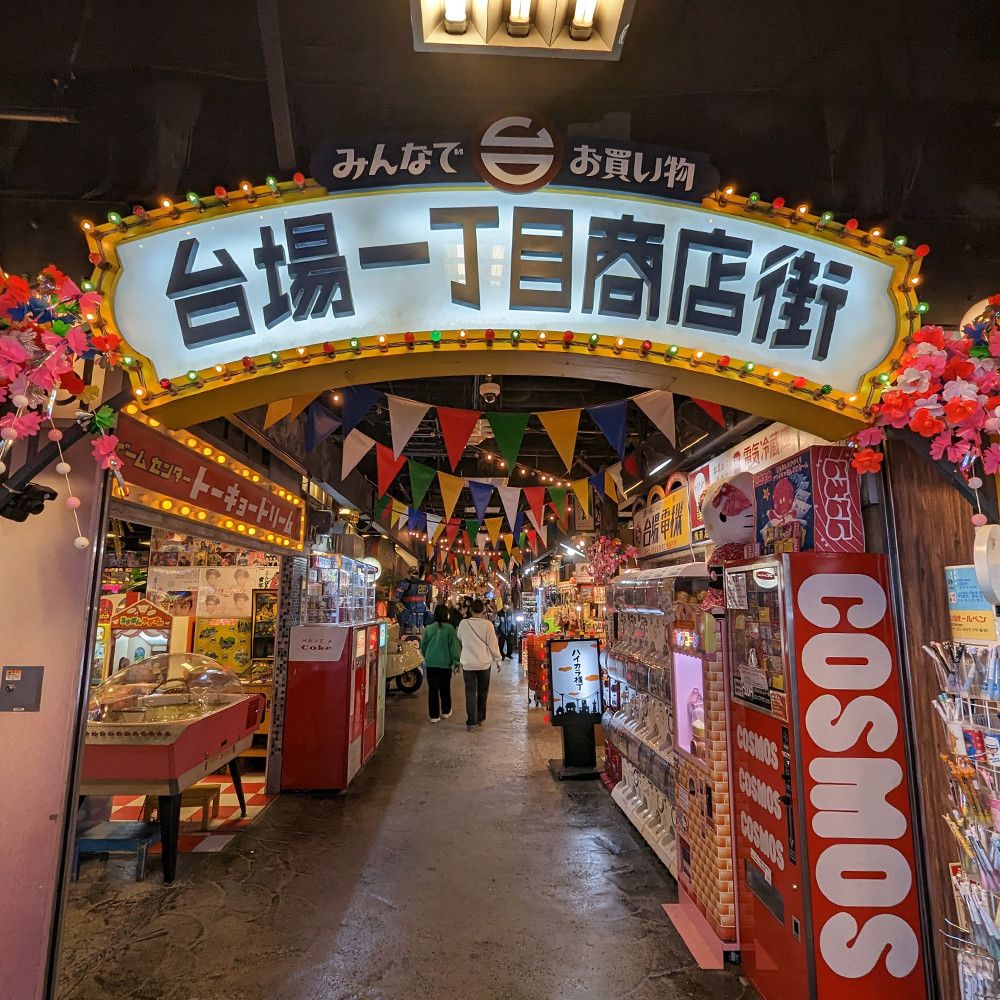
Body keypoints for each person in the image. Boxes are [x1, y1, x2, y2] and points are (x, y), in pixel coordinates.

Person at [456, 598, 502, 731]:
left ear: (470, 610)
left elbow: (459, 637)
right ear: (483, 610)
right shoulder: (488, 625)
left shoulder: (464, 623)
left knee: (470, 693)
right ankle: (481, 718)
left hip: (468, 664)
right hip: (484, 664)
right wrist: (498, 661)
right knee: (483, 692)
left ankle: (472, 723)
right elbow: (493, 645)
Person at [420, 605, 461, 724]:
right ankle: (445, 711)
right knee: (445, 687)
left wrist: (426, 655)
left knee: (432, 689)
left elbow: (423, 645)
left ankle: (434, 716)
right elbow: (454, 647)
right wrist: (455, 661)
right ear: (446, 615)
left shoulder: (429, 628)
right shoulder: (449, 628)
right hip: (445, 663)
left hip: (431, 662)